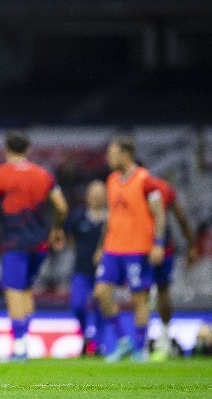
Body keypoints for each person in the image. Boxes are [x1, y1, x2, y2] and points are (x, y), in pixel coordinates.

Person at [0, 131, 68, 362]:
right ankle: (24, 341)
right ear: (28, 149)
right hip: (39, 243)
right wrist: (57, 228)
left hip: (14, 242)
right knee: (26, 289)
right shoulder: (44, 175)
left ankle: (20, 348)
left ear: (6, 149)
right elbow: (61, 206)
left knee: (14, 291)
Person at [93, 135, 166, 363]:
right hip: (113, 248)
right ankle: (123, 342)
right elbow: (111, 216)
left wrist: (158, 244)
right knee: (101, 293)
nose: (108, 158)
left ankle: (139, 348)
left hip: (137, 249)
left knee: (139, 300)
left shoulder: (146, 181)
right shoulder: (111, 180)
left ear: (125, 154)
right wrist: (101, 247)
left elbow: (160, 215)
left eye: (112, 153)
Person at [147, 175, 197, 361]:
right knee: (161, 291)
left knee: (149, 293)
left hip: (148, 248)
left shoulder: (154, 187)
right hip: (154, 248)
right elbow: (181, 216)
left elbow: (181, 216)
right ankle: (162, 338)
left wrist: (192, 245)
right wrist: (191, 244)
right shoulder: (163, 187)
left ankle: (151, 340)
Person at [65, 179, 107, 356]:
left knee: (102, 306)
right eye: (94, 194)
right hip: (82, 269)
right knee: (78, 304)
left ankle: (98, 343)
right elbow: (69, 236)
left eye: (100, 194)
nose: (97, 198)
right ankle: (85, 335)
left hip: (104, 271)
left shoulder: (111, 218)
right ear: (88, 196)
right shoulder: (77, 216)